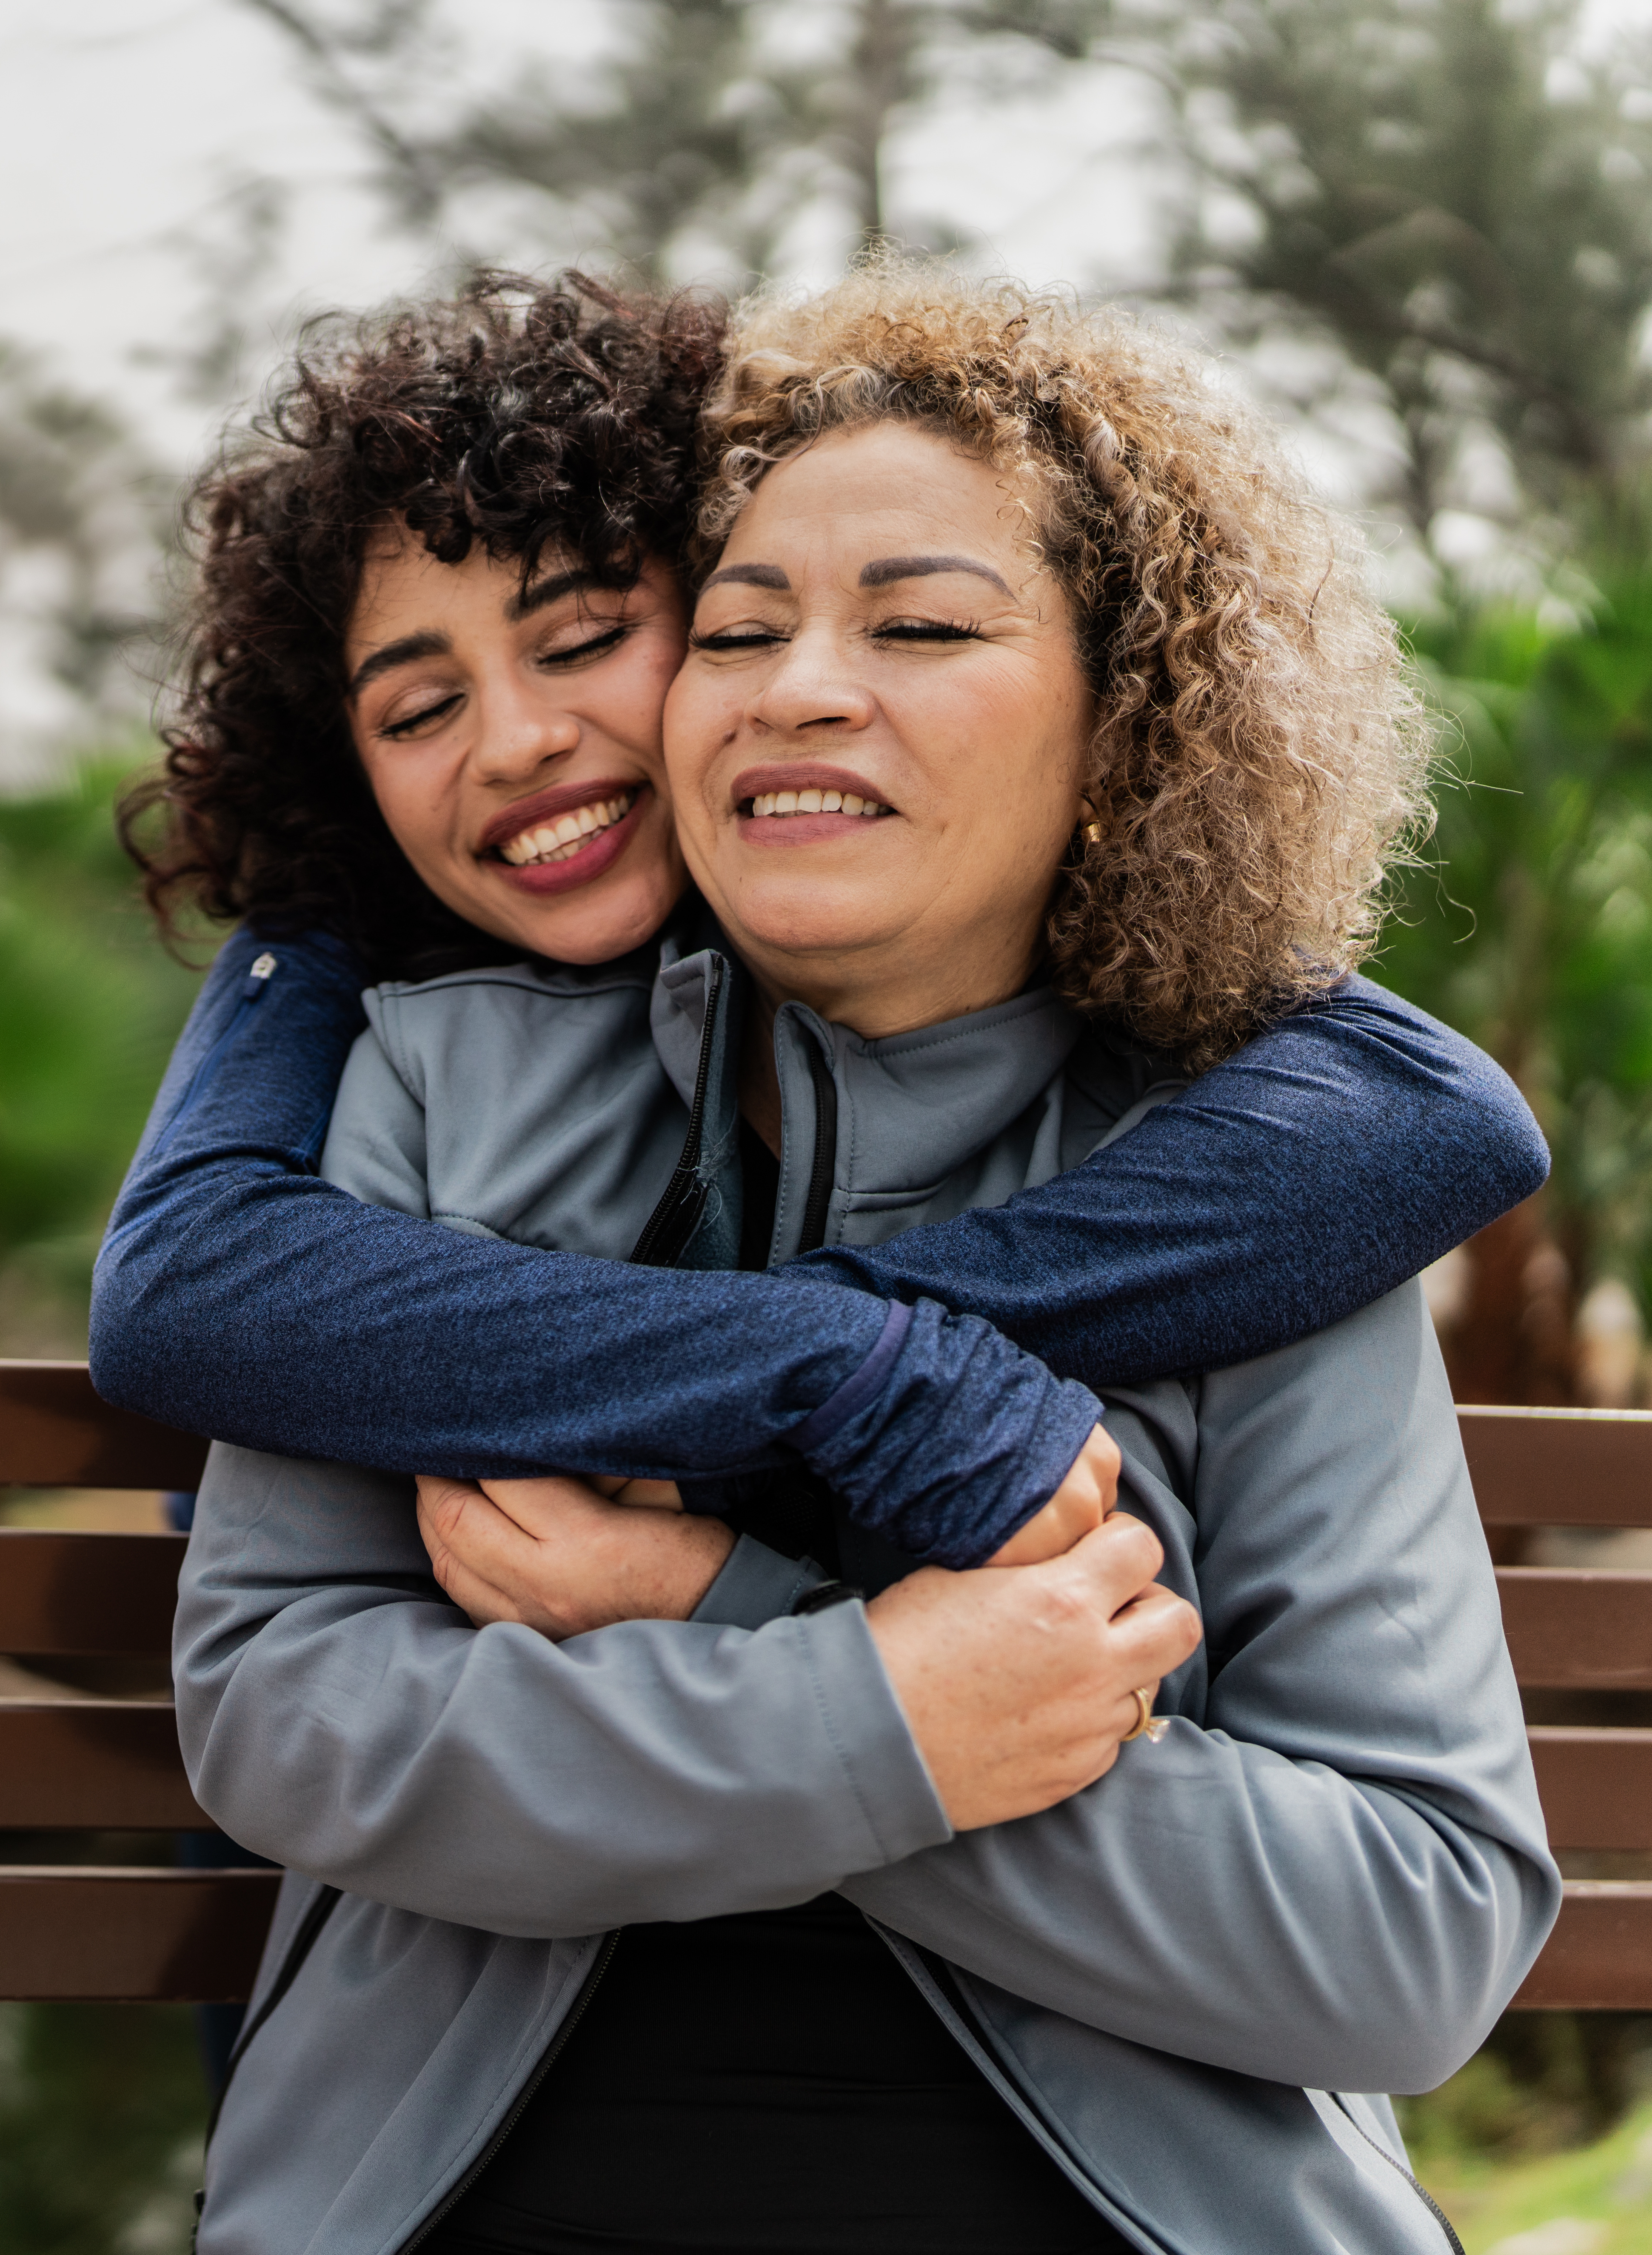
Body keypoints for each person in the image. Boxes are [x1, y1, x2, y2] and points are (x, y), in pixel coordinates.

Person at [166, 263, 1556, 2255]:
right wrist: (881, 1711)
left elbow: (1405, 1940)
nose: (803, 680)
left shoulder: (1270, 1170)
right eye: (742, 624)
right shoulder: (431, 1084)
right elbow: (294, 1707)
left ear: (1129, 716)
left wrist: (715, 1606)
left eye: (918, 622)